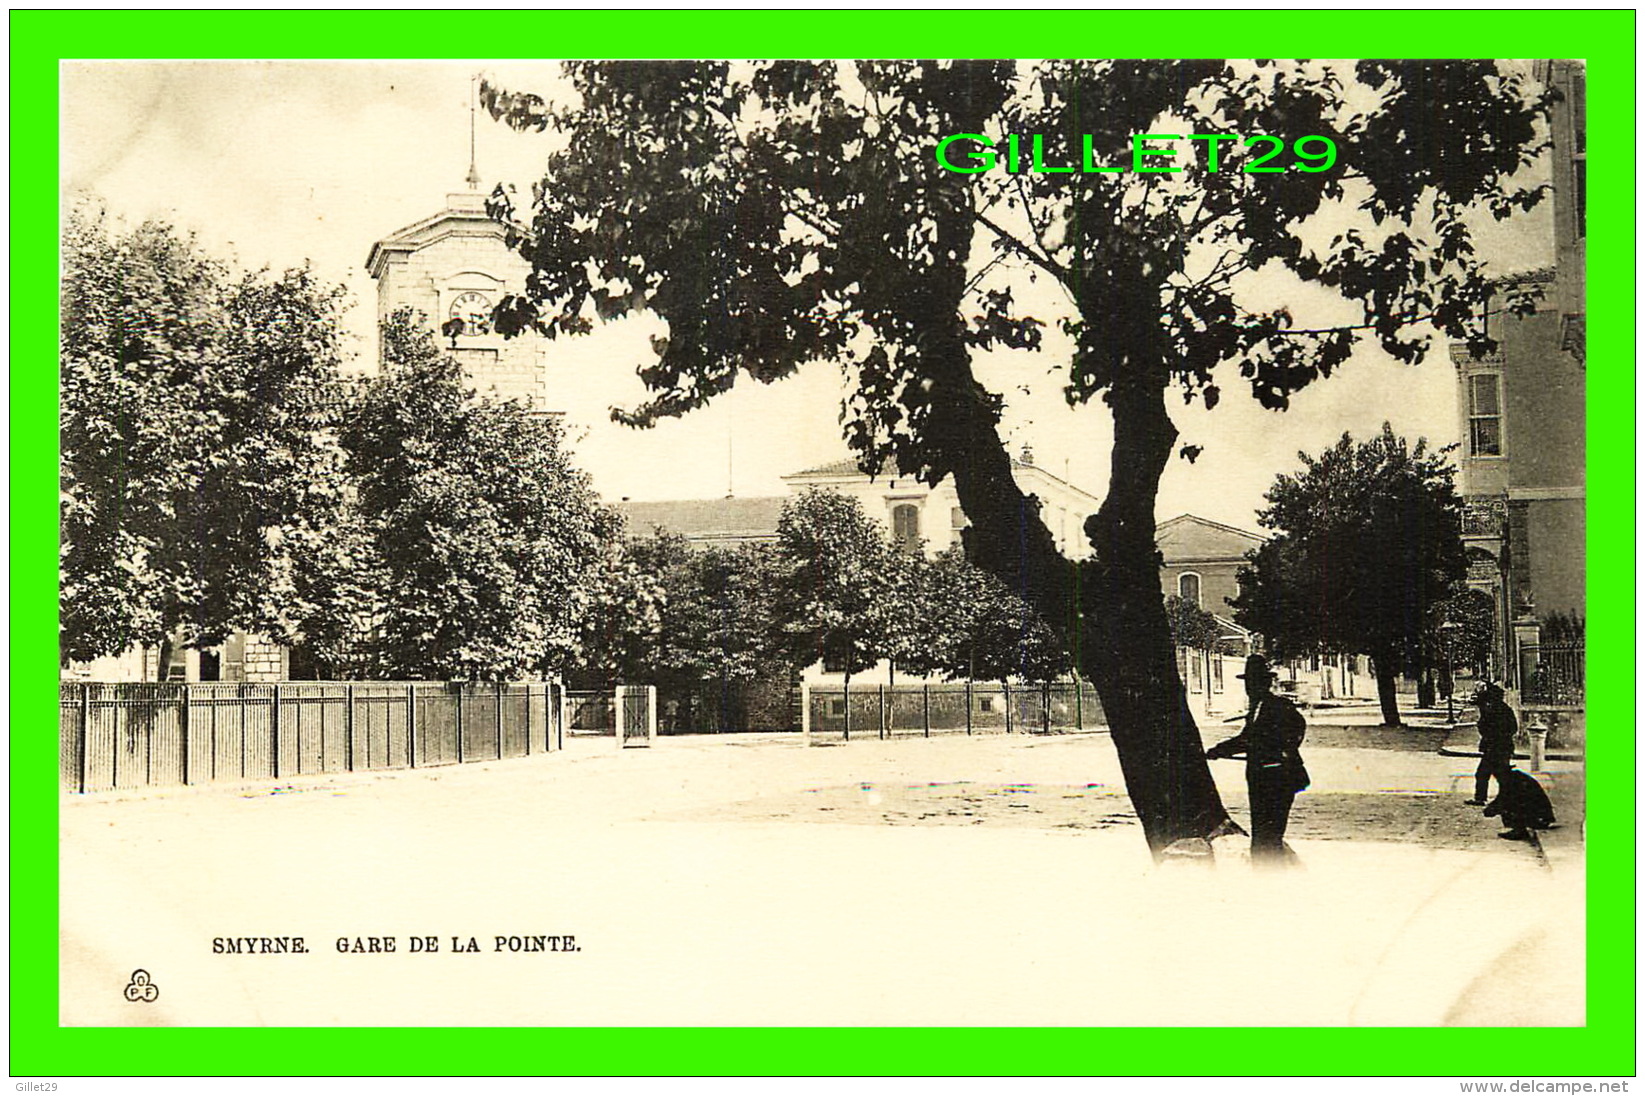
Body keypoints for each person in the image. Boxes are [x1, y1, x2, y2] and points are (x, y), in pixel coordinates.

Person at [1205, 655, 1309, 864]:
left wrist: (1280, 750)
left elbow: (1296, 728)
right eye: (1248, 683)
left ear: (1266, 683)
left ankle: (1271, 876)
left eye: (1256, 682)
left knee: (1269, 834)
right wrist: (1218, 750)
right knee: (1263, 832)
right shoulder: (1257, 708)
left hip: (1278, 776)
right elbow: (1247, 738)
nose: (1250, 687)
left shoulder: (1278, 706)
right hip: (1261, 776)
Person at [1465, 682, 1518, 806]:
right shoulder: (1502, 708)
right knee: (1500, 775)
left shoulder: (1495, 710)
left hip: (1496, 747)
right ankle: (1506, 798)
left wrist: (1492, 735)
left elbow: (1508, 728)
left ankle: (1482, 798)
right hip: (1501, 747)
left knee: (1485, 773)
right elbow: (1513, 728)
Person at [1483, 768, 1556, 840]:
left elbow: (1505, 799)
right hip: (1541, 818)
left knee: (1510, 804)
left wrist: (1493, 809)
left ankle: (1519, 830)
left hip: (1540, 820)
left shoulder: (1512, 780)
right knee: (1508, 802)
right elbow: (1501, 797)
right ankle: (1519, 828)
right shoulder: (1514, 777)